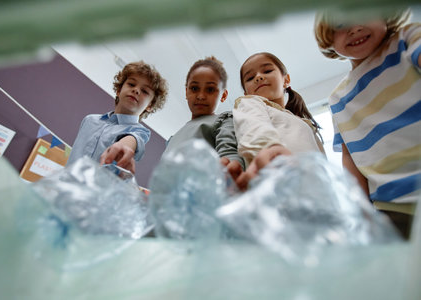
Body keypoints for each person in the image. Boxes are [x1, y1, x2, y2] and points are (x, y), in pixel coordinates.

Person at [314, 8, 420, 238]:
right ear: (328, 37)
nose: (355, 28)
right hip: (390, 207)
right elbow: (350, 156)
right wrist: (362, 213)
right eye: (340, 24)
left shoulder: (406, 39)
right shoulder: (338, 98)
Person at [233, 52, 325, 190]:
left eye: (267, 70)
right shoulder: (250, 102)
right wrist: (270, 148)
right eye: (250, 78)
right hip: (277, 177)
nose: (258, 77)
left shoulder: (305, 124)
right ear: (246, 93)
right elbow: (253, 125)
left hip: (317, 188)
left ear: (286, 80)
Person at [67, 61, 168, 174]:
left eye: (144, 91)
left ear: (149, 105)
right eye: (131, 84)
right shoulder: (89, 120)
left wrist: (122, 146)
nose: (136, 90)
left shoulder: (139, 132)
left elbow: (132, 141)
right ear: (119, 90)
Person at [163, 56, 245, 180]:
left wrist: (231, 170)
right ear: (186, 92)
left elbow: (229, 153)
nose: (201, 96)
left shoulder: (223, 120)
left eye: (210, 89)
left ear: (223, 95)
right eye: (194, 88)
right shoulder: (173, 138)